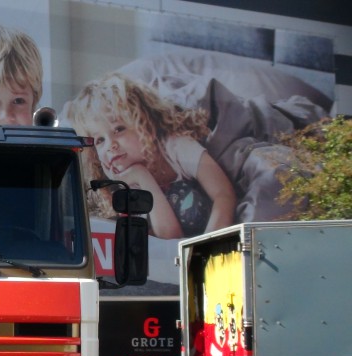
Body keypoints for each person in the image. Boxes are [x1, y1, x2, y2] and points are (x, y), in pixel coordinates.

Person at [64, 72, 235, 239]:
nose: (110, 145)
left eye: (119, 129)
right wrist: (143, 177)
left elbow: (224, 194)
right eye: (100, 140)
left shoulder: (175, 146)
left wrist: (206, 248)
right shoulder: (121, 181)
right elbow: (170, 238)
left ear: (144, 124)